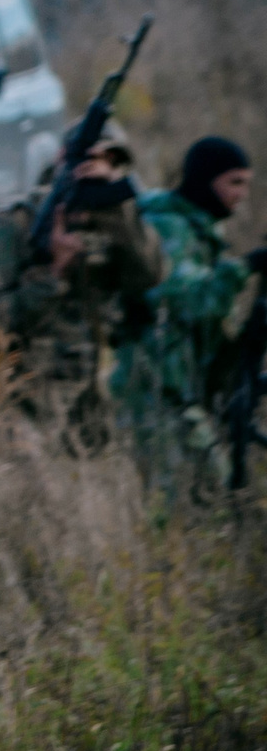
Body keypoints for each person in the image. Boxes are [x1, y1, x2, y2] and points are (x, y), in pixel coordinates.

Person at [0, 134, 163, 451]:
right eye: (92, 161)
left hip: (90, 410)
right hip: (18, 407)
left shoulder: (116, 233)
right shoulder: (8, 230)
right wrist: (52, 273)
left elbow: (149, 276)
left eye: (113, 165)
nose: (100, 173)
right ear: (63, 162)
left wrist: (120, 210)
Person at [113, 136, 264, 500]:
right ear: (206, 180)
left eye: (246, 183)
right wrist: (246, 267)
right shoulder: (168, 227)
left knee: (214, 495)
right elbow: (187, 300)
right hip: (150, 389)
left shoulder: (201, 226)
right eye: (234, 183)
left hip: (178, 388)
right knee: (181, 504)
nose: (241, 194)